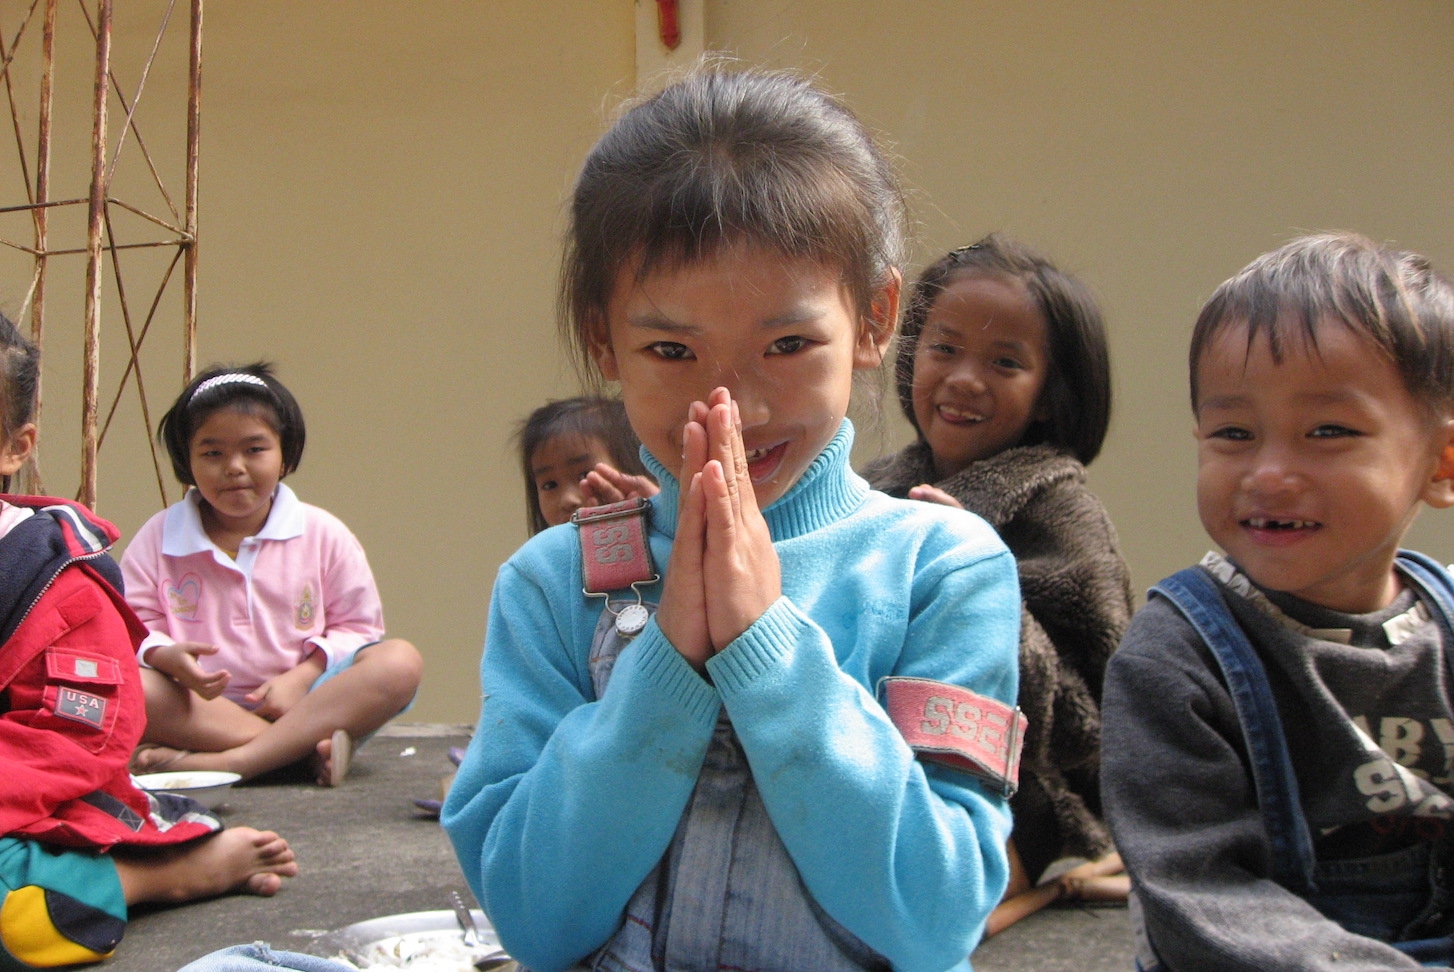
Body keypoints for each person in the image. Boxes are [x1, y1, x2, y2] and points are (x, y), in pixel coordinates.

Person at [442, 68, 1022, 972]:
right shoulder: (553, 586)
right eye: (671, 349)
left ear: (875, 320)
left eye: (787, 345)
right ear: (604, 342)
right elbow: (533, 917)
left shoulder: (943, 571)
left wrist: (766, 651)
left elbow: (935, 915)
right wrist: (666, 662)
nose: (734, 406)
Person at [1102, 232, 1454, 970]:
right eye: (1233, 433)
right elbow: (1199, 893)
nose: (1267, 472)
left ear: (1441, 464)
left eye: (1327, 431)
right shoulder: (1178, 655)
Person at [0, 313, 297, 969]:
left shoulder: (56, 578)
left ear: (15, 447)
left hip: (28, 812)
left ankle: (163, 876)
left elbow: (76, 735)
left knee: (11, 914)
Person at [860, 235, 1132, 906]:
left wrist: (977, 578)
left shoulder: (1063, 514)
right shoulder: (875, 491)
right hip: (873, 777)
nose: (962, 379)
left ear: (1048, 393)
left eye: (1004, 362)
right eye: (943, 348)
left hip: (1026, 813)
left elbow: (1092, 722)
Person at [121, 363, 422, 786]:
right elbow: (130, 626)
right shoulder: (158, 537)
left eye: (255, 449)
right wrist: (163, 655)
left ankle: (233, 764)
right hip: (200, 711)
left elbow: (358, 628)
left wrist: (301, 678)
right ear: (186, 463)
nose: (235, 467)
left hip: (305, 703)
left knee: (399, 661)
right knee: (122, 680)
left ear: (285, 455)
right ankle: (289, 755)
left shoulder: (322, 533)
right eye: (212, 453)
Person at [516, 395, 657, 534]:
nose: (568, 500)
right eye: (550, 485)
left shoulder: (667, 542)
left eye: (585, 475)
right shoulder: (540, 555)